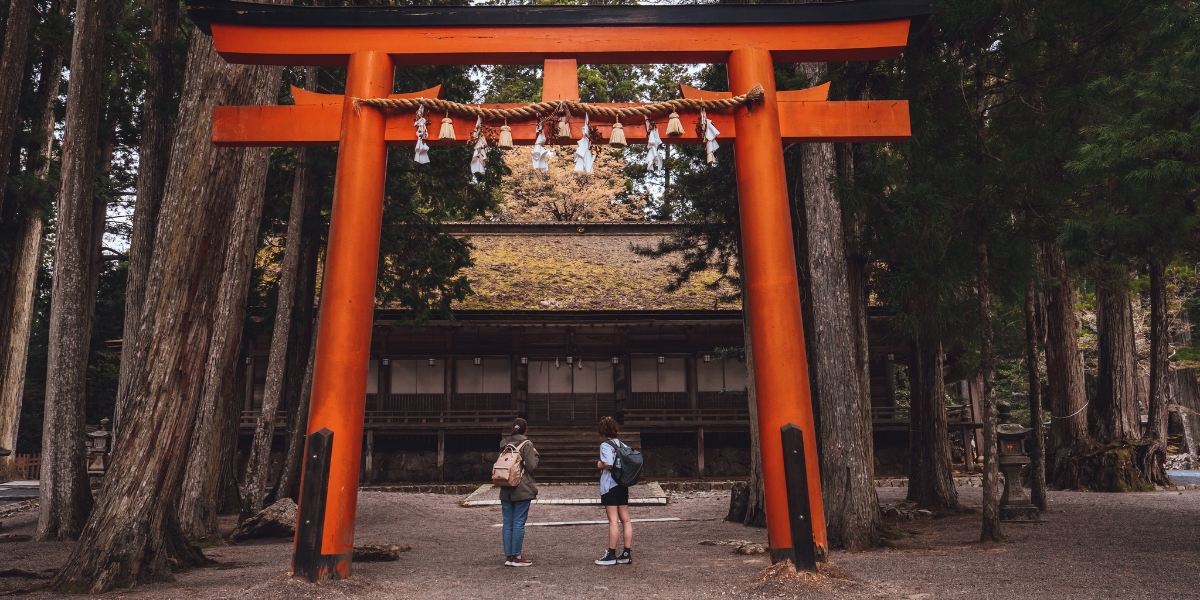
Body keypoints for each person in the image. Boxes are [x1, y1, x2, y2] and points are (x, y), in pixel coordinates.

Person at [499, 418, 538, 567]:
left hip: (505, 487)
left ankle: (509, 556)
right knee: (519, 522)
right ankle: (517, 556)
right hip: (522, 488)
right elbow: (531, 466)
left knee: (507, 523)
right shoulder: (527, 444)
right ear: (525, 430)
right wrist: (536, 455)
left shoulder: (504, 444)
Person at [595, 416, 632, 565]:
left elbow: (609, 463)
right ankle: (626, 553)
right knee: (626, 520)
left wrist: (600, 464)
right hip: (622, 484)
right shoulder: (621, 444)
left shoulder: (605, 445)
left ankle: (611, 554)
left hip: (611, 485)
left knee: (613, 520)